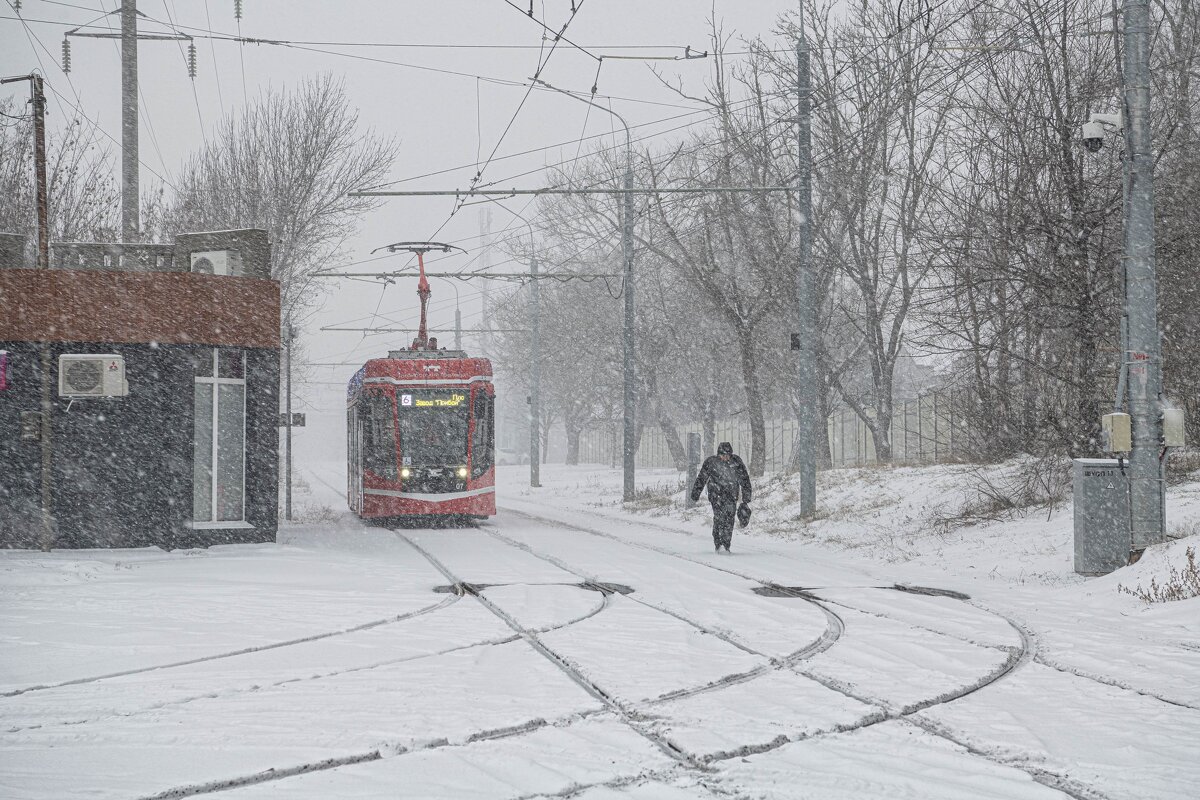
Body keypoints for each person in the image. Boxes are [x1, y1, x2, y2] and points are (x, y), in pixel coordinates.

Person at [690, 441, 752, 554]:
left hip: (731, 496)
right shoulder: (711, 462)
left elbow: (745, 479)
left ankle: (726, 545)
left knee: (730, 520)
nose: (725, 458)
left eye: (727, 455)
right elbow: (701, 478)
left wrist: (746, 498)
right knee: (719, 518)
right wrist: (695, 493)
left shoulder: (736, 462)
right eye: (723, 455)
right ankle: (718, 543)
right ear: (718, 454)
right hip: (716, 495)